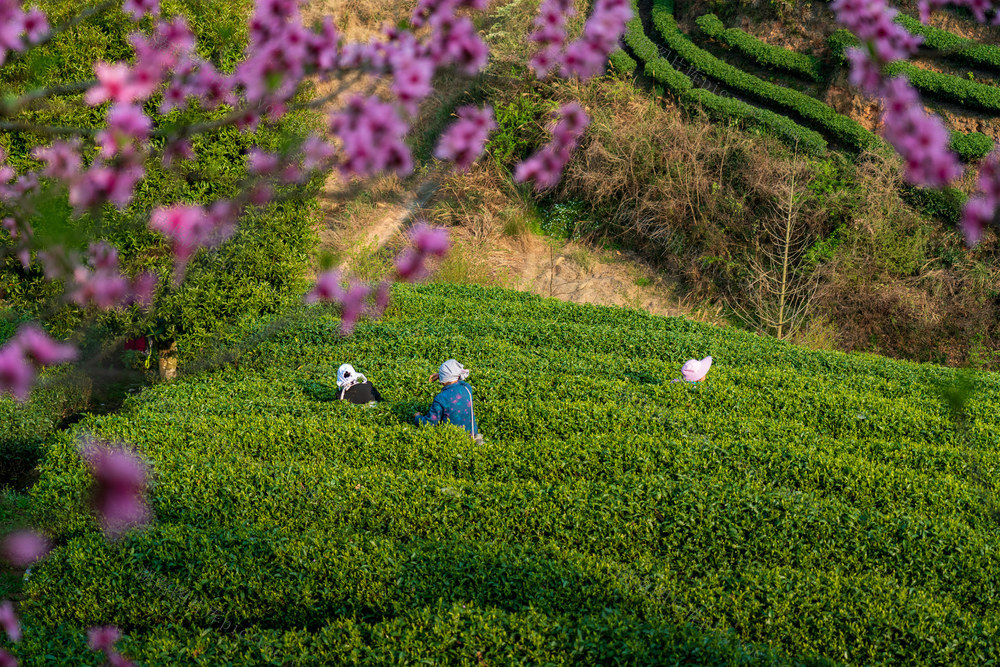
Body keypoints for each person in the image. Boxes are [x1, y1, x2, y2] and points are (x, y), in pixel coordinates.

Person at [414, 359, 483, 443]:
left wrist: (417, 418)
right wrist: (442, 375)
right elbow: (459, 380)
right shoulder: (467, 388)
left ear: (442, 381)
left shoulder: (441, 398)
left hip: (453, 439)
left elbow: (430, 423)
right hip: (472, 435)